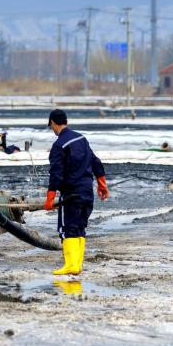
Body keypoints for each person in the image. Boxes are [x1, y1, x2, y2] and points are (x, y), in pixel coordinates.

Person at [44, 109, 109, 276]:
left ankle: (71, 265)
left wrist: (50, 198)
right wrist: (102, 185)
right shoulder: (81, 138)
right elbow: (95, 162)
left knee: (68, 228)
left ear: (53, 123)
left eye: (51, 125)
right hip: (87, 192)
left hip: (71, 195)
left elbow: (56, 174)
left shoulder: (59, 145)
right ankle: (77, 265)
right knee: (80, 227)